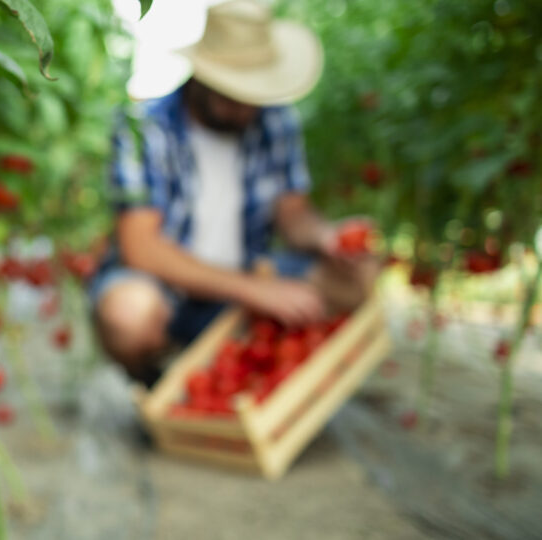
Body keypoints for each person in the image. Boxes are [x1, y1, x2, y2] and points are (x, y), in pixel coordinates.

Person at [91, 0, 377, 386]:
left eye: (253, 95)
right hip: (171, 292)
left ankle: (258, 370)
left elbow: (293, 214)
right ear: (201, 76)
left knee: (360, 277)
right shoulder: (144, 128)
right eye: (232, 94)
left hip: (247, 279)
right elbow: (140, 247)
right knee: (128, 314)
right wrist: (257, 290)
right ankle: (156, 381)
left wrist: (326, 236)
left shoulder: (275, 121)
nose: (245, 108)